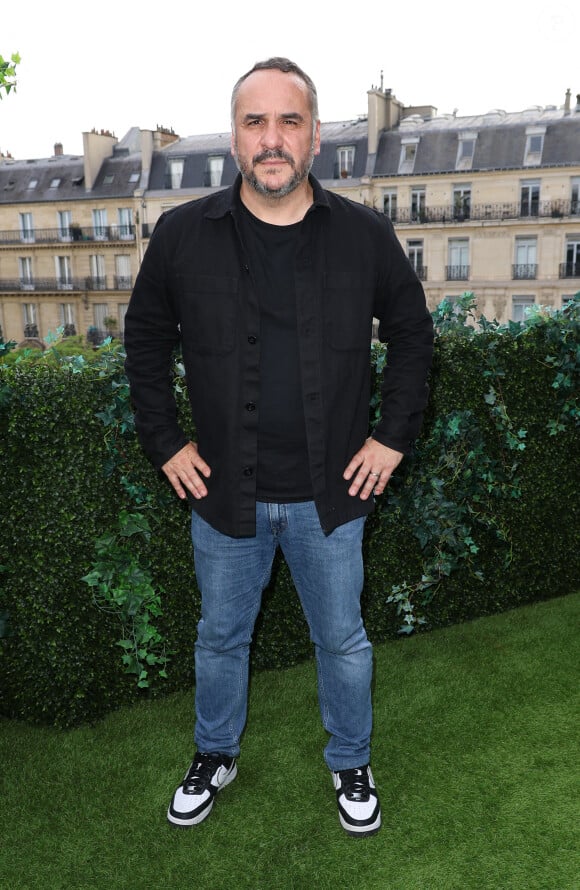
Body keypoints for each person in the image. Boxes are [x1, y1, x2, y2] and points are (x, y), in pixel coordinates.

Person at [124, 57, 434, 838]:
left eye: (288, 121)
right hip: (223, 493)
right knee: (220, 638)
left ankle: (351, 759)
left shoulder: (364, 235)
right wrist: (165, 442)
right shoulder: (181, 236)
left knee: (344, 641)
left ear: (317, 137)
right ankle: (214, 752)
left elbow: (412, 337)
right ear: (235, 137)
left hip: (333, 496)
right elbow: (146, 343)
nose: (272, 139)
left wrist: (392, 439)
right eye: (256, 122)